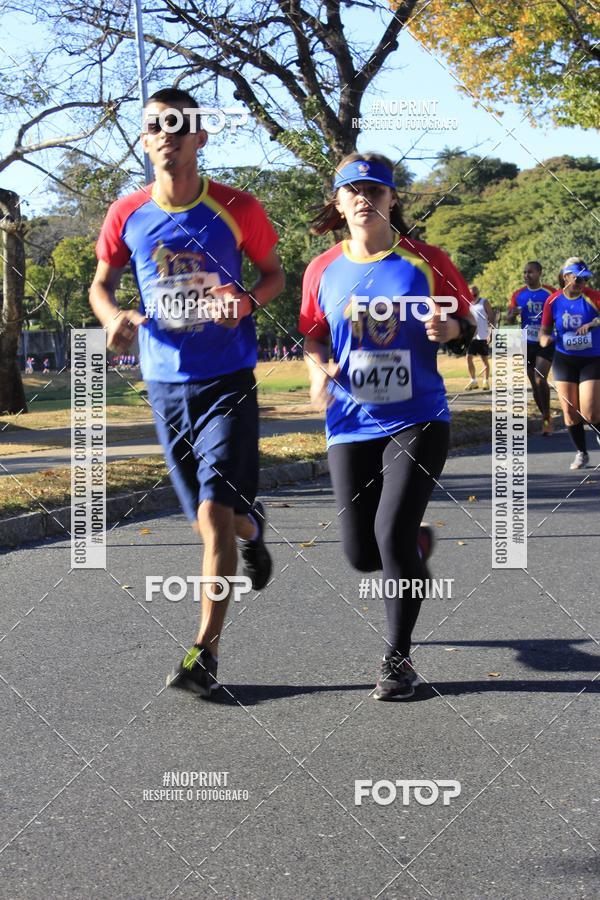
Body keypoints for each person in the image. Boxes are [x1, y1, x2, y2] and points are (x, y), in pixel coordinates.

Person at [90, 87, 285, 696]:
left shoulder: (237, 207)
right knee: (215, 524)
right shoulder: (126, 213)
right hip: (164, 381)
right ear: (145, 140)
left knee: (211, 512)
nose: (166, 133)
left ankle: (206, 652)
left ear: (200, 137)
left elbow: (275, 275)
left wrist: (245, 301)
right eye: (155, 125)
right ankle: (252, 529)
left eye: (178, 124)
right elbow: (101, 285)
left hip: (226, 376)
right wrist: (111, 319)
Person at [300, 152, 475, 701]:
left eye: (375, 189)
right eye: (352, 189)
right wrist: (317, 371)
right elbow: (313, 335)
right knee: (360, 553)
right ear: (338, 200)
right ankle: (414, 547)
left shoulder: (425, 260)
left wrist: (452, 327)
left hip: (418, 415)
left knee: (390, 533)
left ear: (392, 199)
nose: (363, 198)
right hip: (350, 420)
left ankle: (397, 662)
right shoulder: (322, 269)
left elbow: (474, 319)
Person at [539, 258, 600, 469]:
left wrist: (594, 322)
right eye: (577, 278)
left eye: (585, 279)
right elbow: (544, 332)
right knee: (570, 412)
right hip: (564, 359)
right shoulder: (553, 301)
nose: (582, 283)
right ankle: (582, 453)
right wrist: (545, 340)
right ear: (566, 277)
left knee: (591, 413)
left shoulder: (593, 297)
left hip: (592, 359)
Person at [506, 261, 555, 434]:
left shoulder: (550, 292)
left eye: (531, 272)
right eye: (525, 272)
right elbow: (509, 320)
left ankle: (547, 415)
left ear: (540, 273)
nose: (527, 275)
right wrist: (511, 316)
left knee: (540, 378)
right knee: (535, 384)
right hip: (526, 342)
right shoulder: (518, 294)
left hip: (546, 340)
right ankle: (546, 417)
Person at [465, 286, 494, 390]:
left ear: (478, 292)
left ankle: (486, 381)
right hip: (471, 337)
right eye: (471, 292)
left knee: (484, 360)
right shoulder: (467, 304)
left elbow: (491, 317)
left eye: (475, 292)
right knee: (468, 358)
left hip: (483, 335)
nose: (473, 294)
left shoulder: (484, 302)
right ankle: (473, 381)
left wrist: (491, 333)